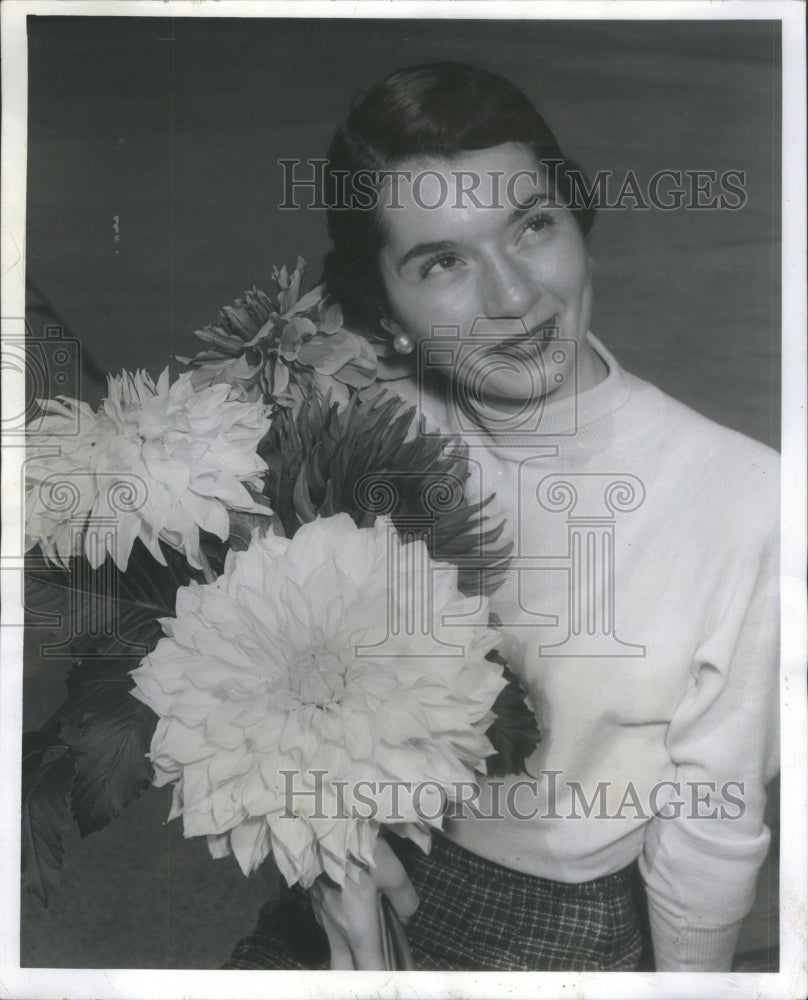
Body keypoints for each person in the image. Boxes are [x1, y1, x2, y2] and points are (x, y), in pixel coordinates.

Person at [225, 62, 779, 973]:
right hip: (353, 860)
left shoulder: (744, 495)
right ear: (385, 310)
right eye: (442, 261)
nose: (514, 298)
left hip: (553, 921)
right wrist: (327, 850)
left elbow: (710, 829)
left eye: (532, 226)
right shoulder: (353, 416)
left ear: (577, 221)